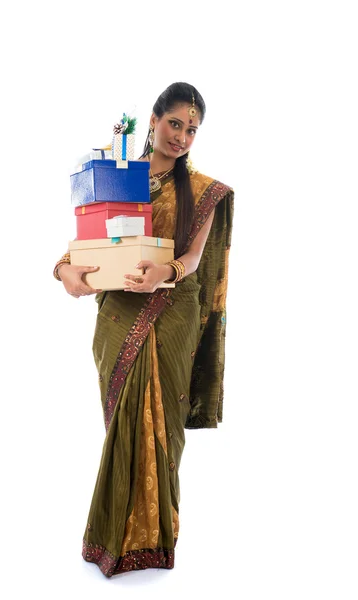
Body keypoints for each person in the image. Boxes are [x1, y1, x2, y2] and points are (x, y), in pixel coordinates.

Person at [53, 82, 235, 577]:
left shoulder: (203, 192)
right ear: (154, 120)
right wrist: (64, 269)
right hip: (118, 315)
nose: (181, 136)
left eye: (192, 130)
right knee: (124, 424)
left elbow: (194, 258)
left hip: (173, 315)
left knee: (162, 428)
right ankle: (116, 536)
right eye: (175, 123)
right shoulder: (117, 175)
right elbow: (89, 237)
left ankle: (154, 539)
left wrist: (166, 273)